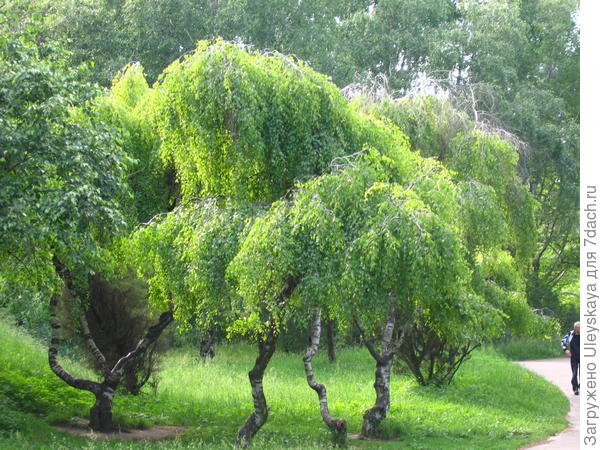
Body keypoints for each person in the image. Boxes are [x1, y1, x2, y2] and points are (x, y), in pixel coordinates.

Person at [561, 321, 580, 395]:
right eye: (576, 328)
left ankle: (580, 386)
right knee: (574, 374)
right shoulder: (570, 334)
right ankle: (575, 388)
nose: (577, 330)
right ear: (574, 328)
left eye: (579, 328)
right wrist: (566, 350)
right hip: (574, 357)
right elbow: (563, 341)